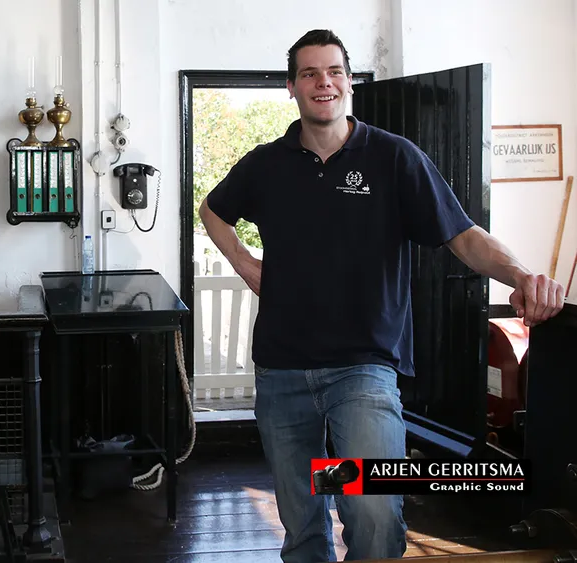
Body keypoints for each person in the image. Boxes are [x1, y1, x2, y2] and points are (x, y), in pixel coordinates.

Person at [198, 29, 565, 563]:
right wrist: (245, 263)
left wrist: (523, 276)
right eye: (309, 74)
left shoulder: (394, 158)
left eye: (334, 71)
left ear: (348, 82)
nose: (323, 82)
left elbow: (463, 235)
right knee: (302, 524)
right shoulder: (266, 163)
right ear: (292, 88)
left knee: (373, 513)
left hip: (363, 370)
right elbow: (212, 210)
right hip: (282, 370)